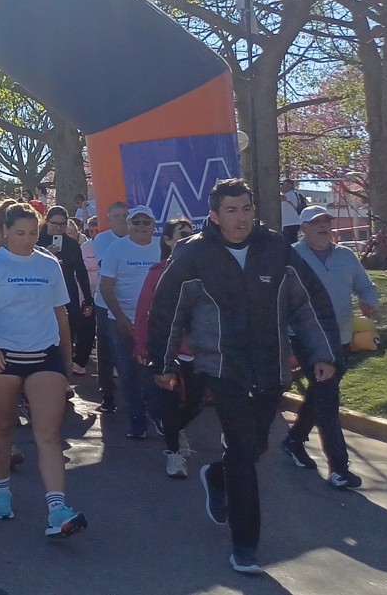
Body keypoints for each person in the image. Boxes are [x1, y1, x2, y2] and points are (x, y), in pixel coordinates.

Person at [145, 178, 339, 575]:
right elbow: (167, 310)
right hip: (221, 367)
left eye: (247, 209)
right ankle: (245, 545)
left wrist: (323, 353)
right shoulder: (194, 254)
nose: (241, 218)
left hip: (270, 366)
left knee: (254, 448)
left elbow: (307, 305)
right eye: (231, 210)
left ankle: (216, 477)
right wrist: (162, 364)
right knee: (242, 450)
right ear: (215, 216)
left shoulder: (277, 250)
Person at [0, 202, 87, 538]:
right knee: (3, 426)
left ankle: (57, 509)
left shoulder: (49, 264)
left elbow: (61, 314)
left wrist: (67, 358)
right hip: (2, 356)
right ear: (5, 231)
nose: (27, 239)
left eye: (33, 233)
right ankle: (1, 491)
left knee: (48, 433)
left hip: (44, 354)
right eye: (20, 233)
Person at [285, 204, 377, 489]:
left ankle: (293, 440)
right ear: (303, 229)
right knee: (328, 400)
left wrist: (370, 301)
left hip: (342, 339)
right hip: (308, 340)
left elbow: (366, 286)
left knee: (320, 393)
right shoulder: (291, 257)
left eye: (326, 222)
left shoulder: (346, 256)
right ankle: (339, 468)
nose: (323, 227)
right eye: (316, 223)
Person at [130, 218, 198, 478]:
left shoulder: (206, 270)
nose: (188, 238)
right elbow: (143, 312)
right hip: (168, 350)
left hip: (199, 351)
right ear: (168, 241)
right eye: (182, 234)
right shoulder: (157, 272)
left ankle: (176, 429)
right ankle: (174, 454)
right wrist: (141, 346)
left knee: (194, 404)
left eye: (191, 233)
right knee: (170, 404)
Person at [98, 205, 162, 439]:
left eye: (146, 222)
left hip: (155, 322)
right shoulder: (116, 249)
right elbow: (106, 287)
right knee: (127, 370)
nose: (141, 226)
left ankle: (158, 415)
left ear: (153, 226)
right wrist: (120, 317)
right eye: (136, 222)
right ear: (128, 225)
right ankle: (137, 419)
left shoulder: (162, 247)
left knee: (154, 370)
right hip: (122, 319)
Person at [41, 207, 94, 378]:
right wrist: (46, 254)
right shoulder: (37, 240)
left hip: (67, 293)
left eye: (62, 224)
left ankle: (63, 375)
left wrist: (88, 298)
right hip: (42, 294)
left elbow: (81, 271)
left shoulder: (71, 244)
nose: (58, 228)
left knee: (67, 333)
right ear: (47, 221)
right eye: (54, 224)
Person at [90, 202, 129, 412]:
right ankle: (107, 393)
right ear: (109, 219)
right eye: (117, 216)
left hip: (133, 304)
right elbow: (107, 267)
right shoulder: (102, 239)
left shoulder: (140, 238)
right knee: (106, 349)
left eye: (125, 215)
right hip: (105, 304)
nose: (122, 219)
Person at [280, 179, 303, 244]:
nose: (281, 186)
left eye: (283, 185)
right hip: (291, 223)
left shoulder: (291, 194)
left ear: (289, 185)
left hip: (290, 224)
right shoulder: (294, 194)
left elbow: (280, 198)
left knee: (290, 243)